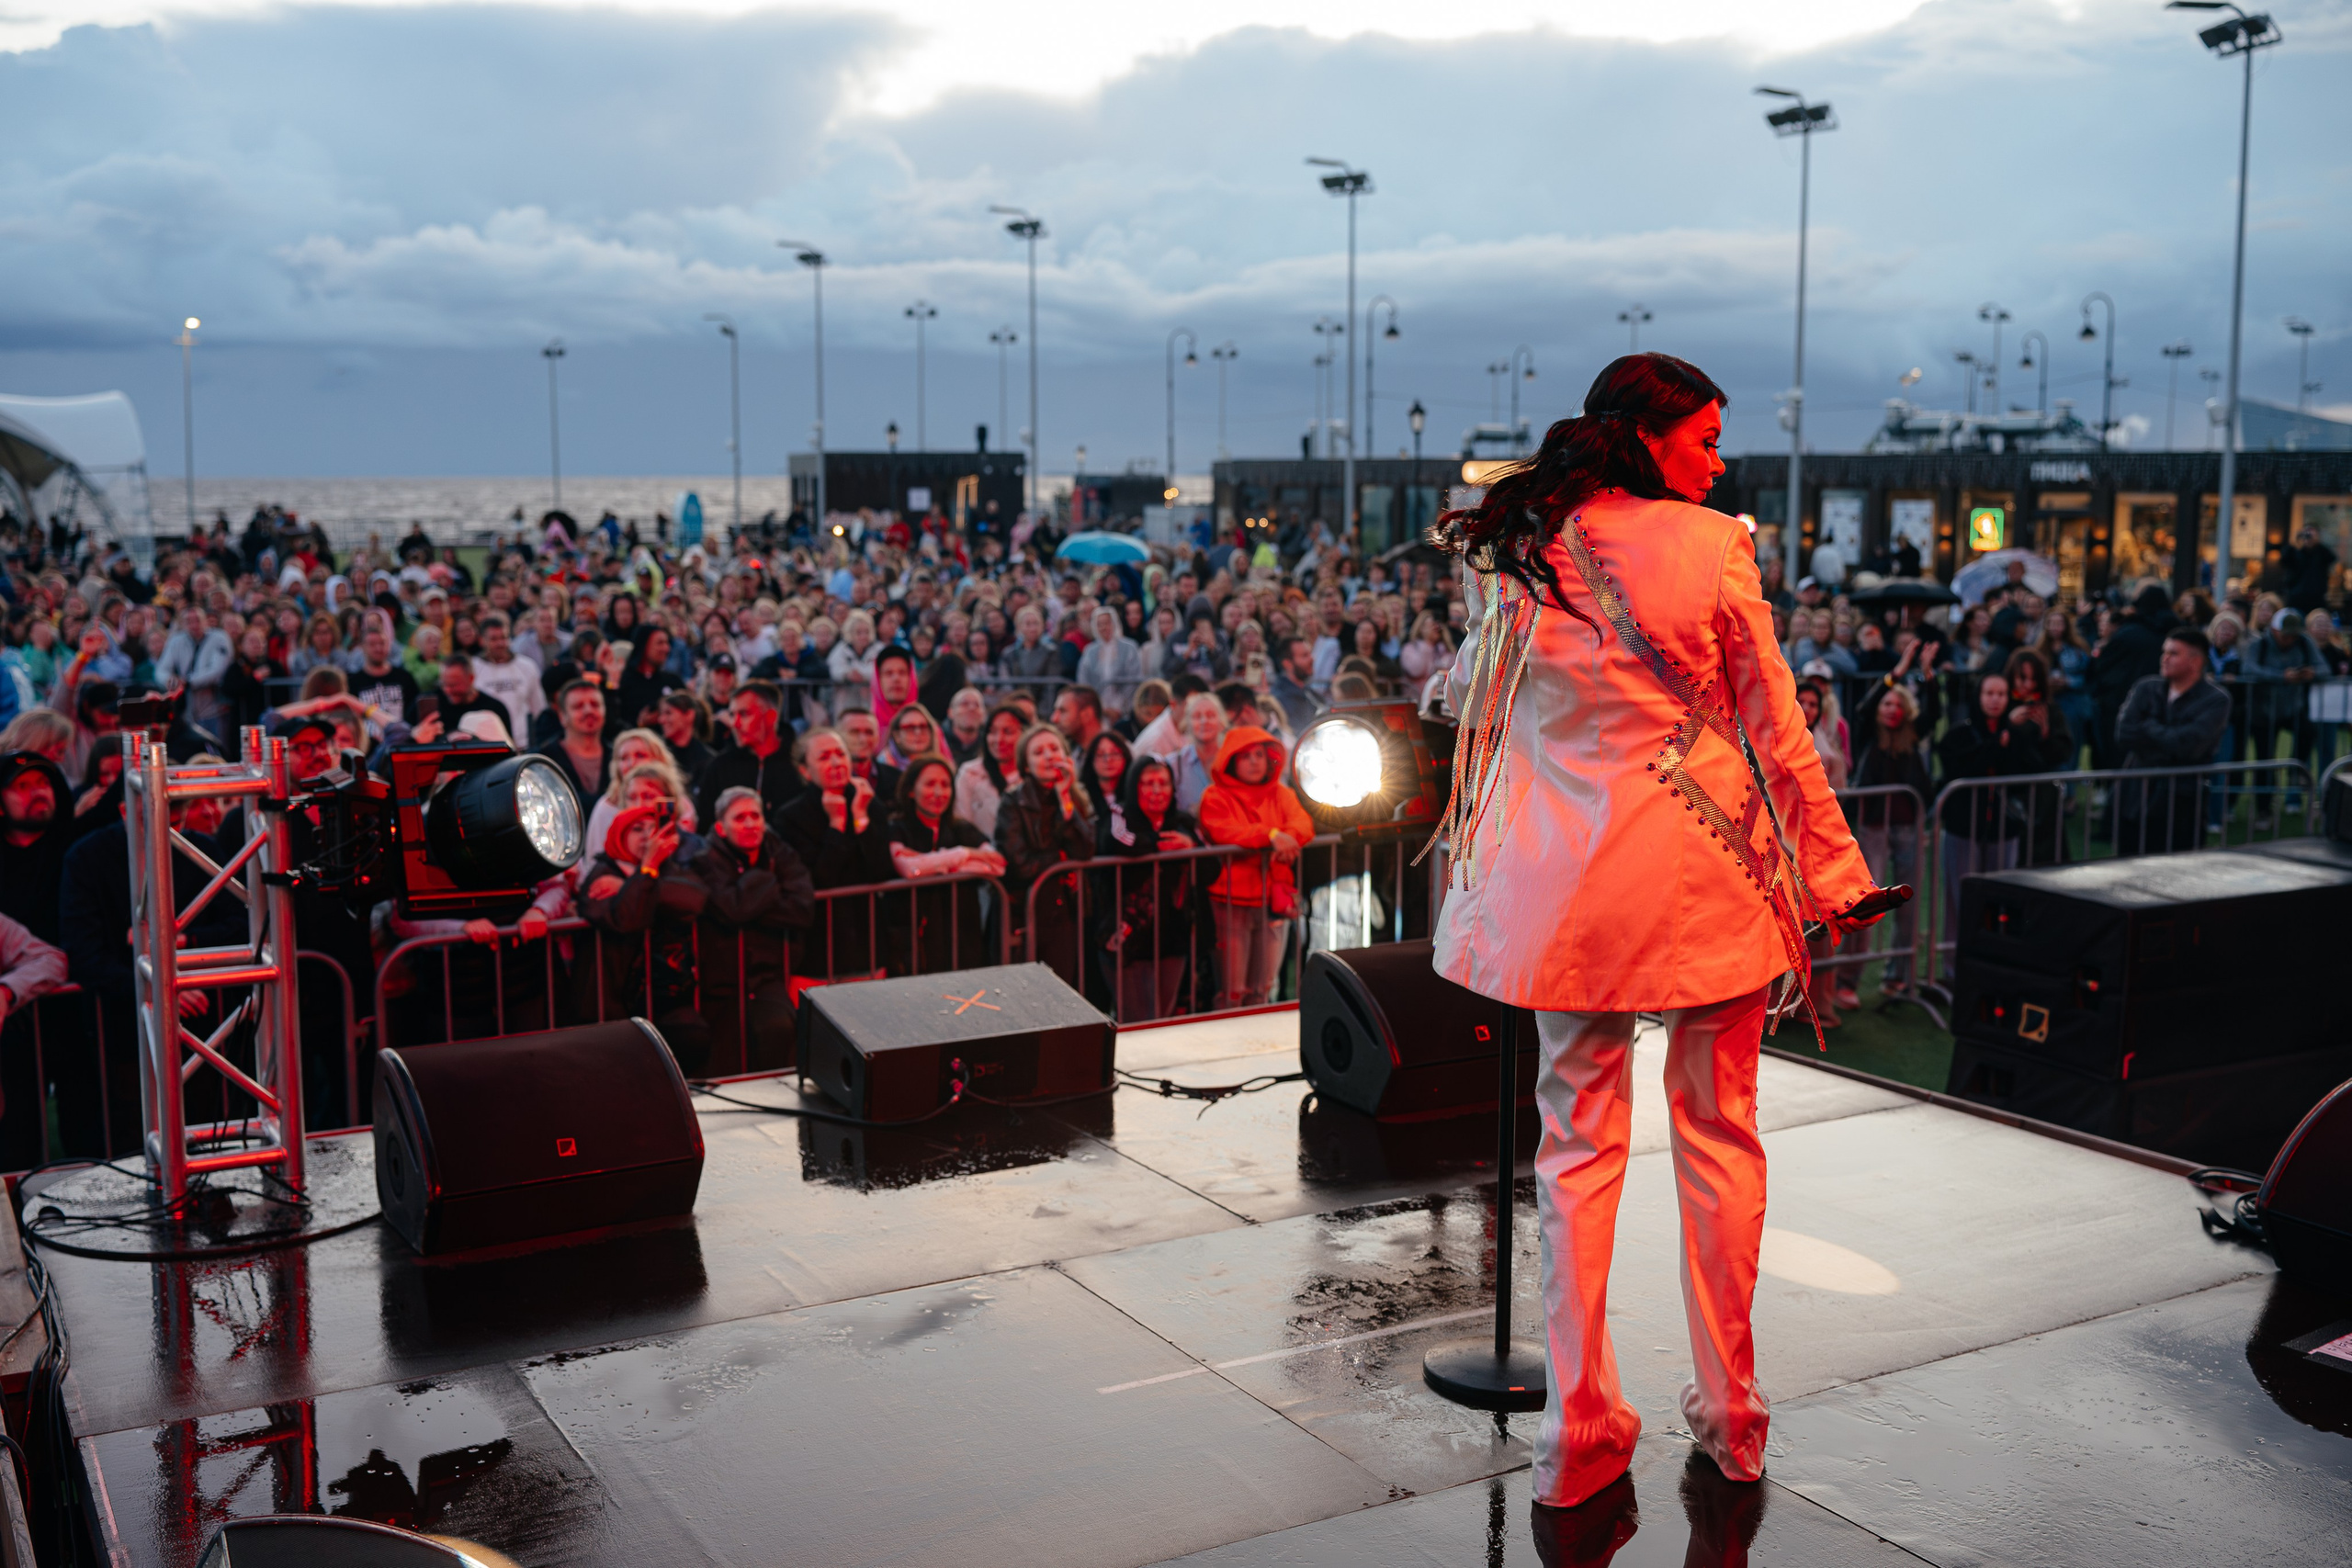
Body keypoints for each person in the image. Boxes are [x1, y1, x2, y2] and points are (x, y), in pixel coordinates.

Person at [1427, 355, 1886, 1509]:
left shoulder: (1530, 545)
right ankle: (1733, 1414)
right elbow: (1775, 725)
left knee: (1573, 1160)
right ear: (1651, 436)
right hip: (1703, 874)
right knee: (1720, 1139)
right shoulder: (1715, 544)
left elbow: (1470, 706)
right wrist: (1833, 872)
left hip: (1569, 895)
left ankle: (1579, 1434)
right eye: (1708, 436)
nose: (1719, 458)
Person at [686, 787, 816, 1073]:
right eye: (740, 817)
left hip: (767, 975)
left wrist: (750, 903)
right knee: (728, 1060)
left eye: (755, 816)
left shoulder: (778, 851)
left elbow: (802, 909)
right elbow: (731, 908)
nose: (749, 824)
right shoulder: (705, 858)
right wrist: (768, 881)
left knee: (780, 1032)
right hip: (720, 981)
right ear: (721, 827)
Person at [577, 802, 712, 1072]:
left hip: (661, 993)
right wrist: (646, 870)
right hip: (611, 999)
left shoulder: (665, 868)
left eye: (653, 829)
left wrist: (636, 883)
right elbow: (628, 920)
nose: (647, 837)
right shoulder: (601, 874)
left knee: (693, 1036)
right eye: (637, 829)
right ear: (619, 835)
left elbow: (694, 899)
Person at [1198, 725, 1311, 1010]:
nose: (1253, 761)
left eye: (1259, 755)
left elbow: (1302, 825)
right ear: (1231, 760)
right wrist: (1271, 836)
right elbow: (1224, 831)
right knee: (1232, 990)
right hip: (1230, 901)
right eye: (1245, 755)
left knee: (1264, 988)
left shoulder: (1281, 793)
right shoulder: (1215, 795)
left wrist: (1284, 839)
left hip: (1274, 899)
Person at [773, 728, 895, 981]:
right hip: (817, 947)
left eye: (841, 753)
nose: (836, 762)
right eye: (824, 757)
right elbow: (817, 880)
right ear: (805, 771)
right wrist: (836, 826)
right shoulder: (789, 817)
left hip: (867, 942)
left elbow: (881, 870)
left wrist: (861, 818)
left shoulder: (869, 803)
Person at [1091, 755, 1200, 1021]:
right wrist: (1157, 844)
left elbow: (1213, 866)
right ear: (1133, 787)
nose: (1156, 791)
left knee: (1164, 1016)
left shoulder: (1183, 823)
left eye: (1162, 783)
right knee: (1133, 1018)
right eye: (1147, 784)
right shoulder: (1119, 814)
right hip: (1125, 936)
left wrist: (1190, 846)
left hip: (1171, 939)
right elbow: (1118, 842)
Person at [885, 754, 1005, 975]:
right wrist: (965, 856)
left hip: (962, 936)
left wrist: (938, 861)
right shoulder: (896, 827)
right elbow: (909, 869)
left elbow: (997, 864)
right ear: (911, 790)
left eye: (945, 785)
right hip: (915, 941)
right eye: (930, 784)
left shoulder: (961, 828)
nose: (939, 793)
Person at [2116, 626, 2233, 852]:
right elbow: (2124, 734)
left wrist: (2149, 725)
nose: (2165, 659)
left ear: (2195, 661)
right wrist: (2168, 738)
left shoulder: (2215, 699)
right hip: (2136, 796)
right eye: (2164, 652)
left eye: (2173, 653)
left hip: (2183, 800)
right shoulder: (2146, 688)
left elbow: (2189, 746)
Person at [1847, 686, 1932, 997]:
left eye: (1898, 703)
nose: (1891, 708)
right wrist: (1893, 676)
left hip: (1909, 827)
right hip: (1874, 828)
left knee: (1908, 905)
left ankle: (1898, 976)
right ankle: (1848, 978)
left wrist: (1930, 678)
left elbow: (1934, 714)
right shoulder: (1868, 735)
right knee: (1868, 903)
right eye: (1886, 703)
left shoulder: (1911, 738)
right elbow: (1863, 711)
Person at [993, 724, 1095, 980]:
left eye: (1054, 749)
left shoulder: (1073, 798)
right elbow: (1020, 863)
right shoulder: (1013, 801)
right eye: (1038, 752)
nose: (1049, 756)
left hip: (1066, 913)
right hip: (1027, 913)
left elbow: (1085, 851)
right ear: (1026, 766)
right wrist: (1061, 859)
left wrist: (1065, 800)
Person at [695, 681, 799, 827]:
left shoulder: (799, 764)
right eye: (732, 715)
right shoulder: (719, 767)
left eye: (744, 714)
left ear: (770, 717)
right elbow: (705, 825)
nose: (735, 723)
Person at [953, 701, 1027, 839]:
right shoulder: (969, 773)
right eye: (992, 732)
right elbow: (962, 824)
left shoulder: (1032, 775)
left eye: (1008, 732)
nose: (999, 739)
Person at [534, 680, 612, 804]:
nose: (588, 711)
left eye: (595, 704)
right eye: (578, 706)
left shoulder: (619, 757)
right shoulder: (543, 761)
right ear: (562, 716)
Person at [470, 612, 546, 737]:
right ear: (481, 641)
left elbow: (538, 707)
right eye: (494, 639)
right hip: (488, 743)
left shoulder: (527, 666)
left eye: (504, 638)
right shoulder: (473, 668)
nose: (500, 643)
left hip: (524, 742)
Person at [1074, 605, 1144, 716]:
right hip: (1098, 708)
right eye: (1099, 624)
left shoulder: (1130, 647)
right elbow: (1083, 679)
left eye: (1107, 623)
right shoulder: (1090, 651)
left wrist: (1119, 707)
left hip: (1125, 708)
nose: (1104, 627)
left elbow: (1134, 678)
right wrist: (1099, 706)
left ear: (1114, 623)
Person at [1170, 691, 1227, 815]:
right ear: (1188, 723)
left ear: (1221, 722)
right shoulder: (1174, 764)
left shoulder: (1234, 760)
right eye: (1196, 716)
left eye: (1210, 715)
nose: (1204, 721)